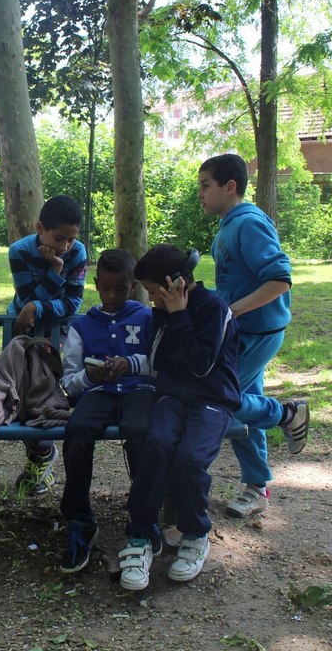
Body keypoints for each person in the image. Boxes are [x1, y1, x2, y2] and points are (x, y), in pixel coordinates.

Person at [118, 244, 241, 591]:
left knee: (189, 459)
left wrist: (179, 316)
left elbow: (202, 365)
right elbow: (157, 360)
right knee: (155, 445)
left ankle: (195, 533)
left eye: (155, 291)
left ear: (176, 285)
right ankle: (140, 537)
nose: (152, 299)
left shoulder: (215, 308)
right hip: (172, 396)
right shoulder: (162, 310)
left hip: (213, 398)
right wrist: (167, 315)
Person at [197, 153, 310, 519]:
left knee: (221, 398)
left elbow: (279, 279)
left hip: (258, 330)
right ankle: (257, 486)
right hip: (240, 330)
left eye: (205, 186)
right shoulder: (229, 224)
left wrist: (233, 311)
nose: (200, 194)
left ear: (230, 187)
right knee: (246, 399)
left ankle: (288, 413)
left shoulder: (249, 223)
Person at [57, 249, 156, 574]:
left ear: (133, 287)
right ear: (96, 285)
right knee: (78, 430)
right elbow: (69, 381)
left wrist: (131, 364)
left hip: (137, 391)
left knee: (141, 431)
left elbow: (159, 366)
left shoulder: (146, 318)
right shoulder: (83, 326)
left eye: (121, 288)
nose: (112, 296)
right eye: (106, 288)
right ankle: (79, 520)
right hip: (97, 393)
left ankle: (144, 518)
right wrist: (89, 376)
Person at [7, 195, 87, 496]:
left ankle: (40, 456)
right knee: (20, 395)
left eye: (70, 240)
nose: (65, 247)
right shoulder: (20, 252)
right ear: (40, 227)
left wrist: (36, 309)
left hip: (56, 333)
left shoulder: (78, 252)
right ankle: (41, 453)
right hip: (22, 333)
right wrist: (55, 271)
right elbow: (27, 299)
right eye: (59, 238)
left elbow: (73, 303)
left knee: (43, 394)